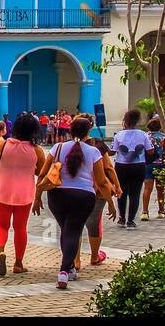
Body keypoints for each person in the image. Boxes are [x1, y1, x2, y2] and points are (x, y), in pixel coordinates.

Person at [36, 115, 112, 290]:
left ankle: (69, 268)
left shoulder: (58, 147)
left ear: (70, 130)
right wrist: (111, 203)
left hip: (57, 196)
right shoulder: (93, 152)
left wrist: (37, 196)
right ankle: (64, 271)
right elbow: (101, 182)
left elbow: (42, 175)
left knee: (67, 231)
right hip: (83, 197)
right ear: (88, 131)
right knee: (72, 231)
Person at [0, 111, 45, 276]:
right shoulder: (37, 150)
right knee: (20, 228)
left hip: (3, 190)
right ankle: (18, 263)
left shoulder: (2, 145)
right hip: (25, 192)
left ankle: (0, 252)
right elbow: (41, 173)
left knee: (0, 225)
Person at [78, 135, 122, 269]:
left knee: (76, 225)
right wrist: (117, 185)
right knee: (94, 222)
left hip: (78, 187)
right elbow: (108, 167)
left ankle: (75, 261)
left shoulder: (70, 145)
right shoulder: (98, 144)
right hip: (98, 190)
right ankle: (94, 256)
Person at [111, 108, 150, 228]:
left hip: (121, 166)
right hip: (138, 166)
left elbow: (112, 152)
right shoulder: (143, 134)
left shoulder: (119, 134)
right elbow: (150, 150)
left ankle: (121, 218)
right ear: (137, 121)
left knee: (121, 191)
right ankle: (131, 220)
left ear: (125, 121)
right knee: (135, 193)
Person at [140, 117, 165, 220]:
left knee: (147, 188)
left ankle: (145, 212)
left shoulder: (145, 136)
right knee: (160, 188)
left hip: (147, 164)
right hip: (160, 164)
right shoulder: (163, 137)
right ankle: (161, 211)